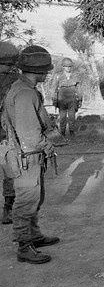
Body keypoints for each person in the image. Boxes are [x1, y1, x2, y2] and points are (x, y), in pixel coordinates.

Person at [1, 45, 60, 264]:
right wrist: (47, 146)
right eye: (46, 70)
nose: (47, 74)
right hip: (26, 156)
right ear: (39, 71)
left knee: (35, 198)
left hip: (26, 154)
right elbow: (29, 134)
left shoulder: (22, 87)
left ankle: (34, 235)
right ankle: (24, 246)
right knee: (26, 200)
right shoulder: (25, 93)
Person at [0, 41, 20, 224]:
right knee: (10, 171)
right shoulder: (16, 80)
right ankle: (8, 209)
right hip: (7, 133)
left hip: (6, 132)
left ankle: (8, 209)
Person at [52, 58, 82, 137]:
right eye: (66, 66)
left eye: (69, 66)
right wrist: (54, 100)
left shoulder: (75, 75)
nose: (68, 68)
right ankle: (62, 132)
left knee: (72, 116)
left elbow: (79, 88)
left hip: (72, 99)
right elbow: (54, 88)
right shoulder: (58, 76)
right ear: (63, 67)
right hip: (62, 99)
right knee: (62, 117)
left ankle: (71, 131)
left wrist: (80, 99)